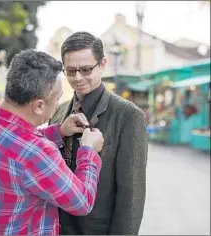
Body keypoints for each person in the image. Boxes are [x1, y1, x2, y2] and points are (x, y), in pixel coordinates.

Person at [0, 49, 104, 235]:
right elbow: (82, 202)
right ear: (39, 106)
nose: (57, 104)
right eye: (57, 98)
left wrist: (59, 131)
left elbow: (12, 141)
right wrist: (89, 151)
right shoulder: (36, 153)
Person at [49, 32, 148, 235]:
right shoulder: (58, 111)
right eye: (71, 71)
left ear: (102, 64)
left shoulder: (129, 116)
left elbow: (131, 196)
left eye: (86, 70)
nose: (77, 78)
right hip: (55, 227)